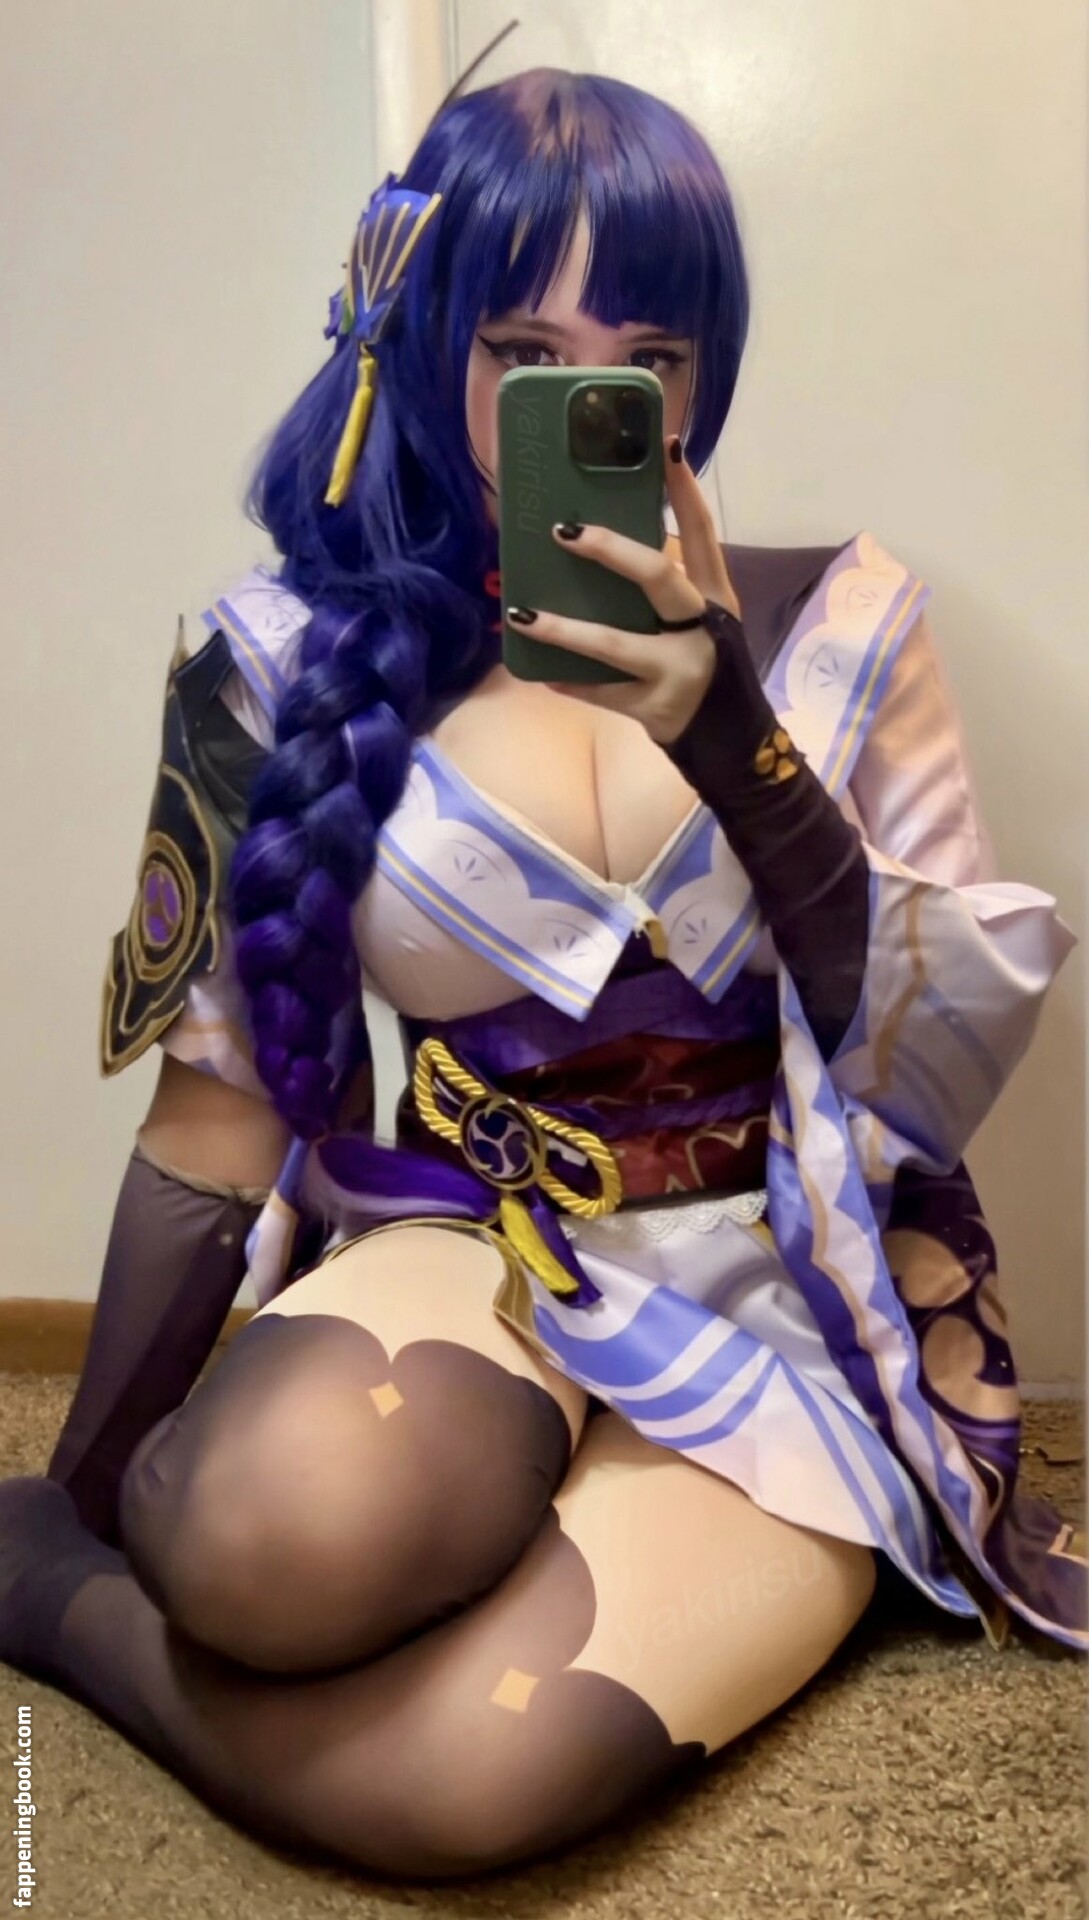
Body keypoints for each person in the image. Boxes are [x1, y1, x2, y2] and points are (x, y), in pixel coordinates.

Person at [1, 54, 1083, 1883]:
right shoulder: (277, 659)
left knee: (453, 1786)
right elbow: (213, 1122)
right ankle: (92, 1553)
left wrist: (735, 734)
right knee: (250, 1551)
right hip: (462, 1244)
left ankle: (52, 1610)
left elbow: (933, 1073)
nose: (583, 402)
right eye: (520, 349)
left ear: (700, 372)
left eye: (644, 359)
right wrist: (88, 1482)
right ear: (427, 340)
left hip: (769, 1285)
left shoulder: (840, 628)